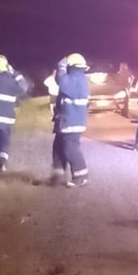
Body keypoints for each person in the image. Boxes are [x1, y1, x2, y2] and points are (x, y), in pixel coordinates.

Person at [50, 53, 90, 188]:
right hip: (67, 120)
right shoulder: (78, 79)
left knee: (70, 148)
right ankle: (57, 175)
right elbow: (60, 83)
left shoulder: (75, 79)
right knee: (58, 148)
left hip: (71, 121)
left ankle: (81, 176)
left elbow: (61, 81)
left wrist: (61, 65)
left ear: (71, 67)